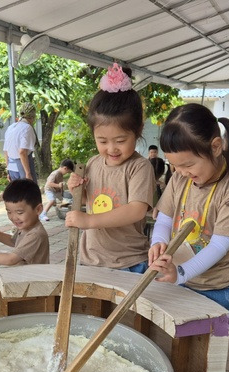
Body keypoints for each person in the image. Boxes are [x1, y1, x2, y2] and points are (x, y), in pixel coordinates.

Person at [147, 103, 229, 329]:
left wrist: (181, 273)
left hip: (220, 288)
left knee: (209, 350)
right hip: (184, 279)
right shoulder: (180, 179)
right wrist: (158, 242)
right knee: (183, 339)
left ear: (215, 147)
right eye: (174, 166)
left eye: (188, 165)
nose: (181, 172)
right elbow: (164, 219)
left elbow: (219, 246)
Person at [65, 63, 155, 273]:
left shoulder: (139, 167)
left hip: (128, 261)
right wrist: (76, 191)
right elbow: (93, 200)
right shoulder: (93, 163)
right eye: (103, 141)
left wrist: (89, 220)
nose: (112, 148)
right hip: (91, 259)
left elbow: (136, 210)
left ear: (138, 130)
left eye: (120, 140)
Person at [0, 179, 50, 265]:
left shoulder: (36, 235)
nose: (14, 217)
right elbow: (12, 241)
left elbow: (11, 259)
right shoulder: (26, 227)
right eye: (9, 212)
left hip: (33, 278)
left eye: (19, 212)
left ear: (38, 209)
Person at [4, 102, 38, 182]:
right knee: (29, 193)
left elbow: (6, 151)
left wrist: (8, 170)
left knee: (16, 193)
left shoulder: (10, 127)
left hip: (12, 168)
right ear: (32, 117)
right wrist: (28, 173)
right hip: (23, 166)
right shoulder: (27, 128)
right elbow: (22, 152)